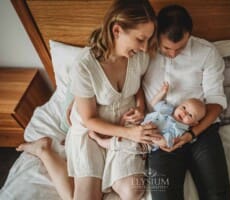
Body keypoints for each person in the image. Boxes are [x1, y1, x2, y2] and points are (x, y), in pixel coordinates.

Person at [16, 0, 161, 200]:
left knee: (132, 191)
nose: (145, 48)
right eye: (140, 39)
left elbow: (137, 86)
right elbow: (90, 119)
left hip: (124, 126)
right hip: (92, 129)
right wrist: (131, 133)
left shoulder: (139, 57)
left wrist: (140, 106)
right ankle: (44, 151)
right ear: (117, 30)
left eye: (148, 40)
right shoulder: (85, 66)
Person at [142, 4, 230, 200]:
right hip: (161, 130)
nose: (173, 53)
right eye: (166, 48)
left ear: (189, 35)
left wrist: (191, 134)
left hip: (201, 129)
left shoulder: (207, 52)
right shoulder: (143, 50)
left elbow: (216, 102)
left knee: (218, 193)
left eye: (180, 47)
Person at [91, 82, 206, 152]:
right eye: (184, 108)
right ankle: (112, 130)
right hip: (139, 126)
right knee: (127, 118)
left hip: (145, 142)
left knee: (124, 145)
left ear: (193, 124)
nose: (184, 113)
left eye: (190, 115)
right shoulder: (168, 109)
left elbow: (166, 143)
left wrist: (154, 136)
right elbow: (154, 103)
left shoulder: (179, 129)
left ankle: (100, 141)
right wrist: (162, 93)